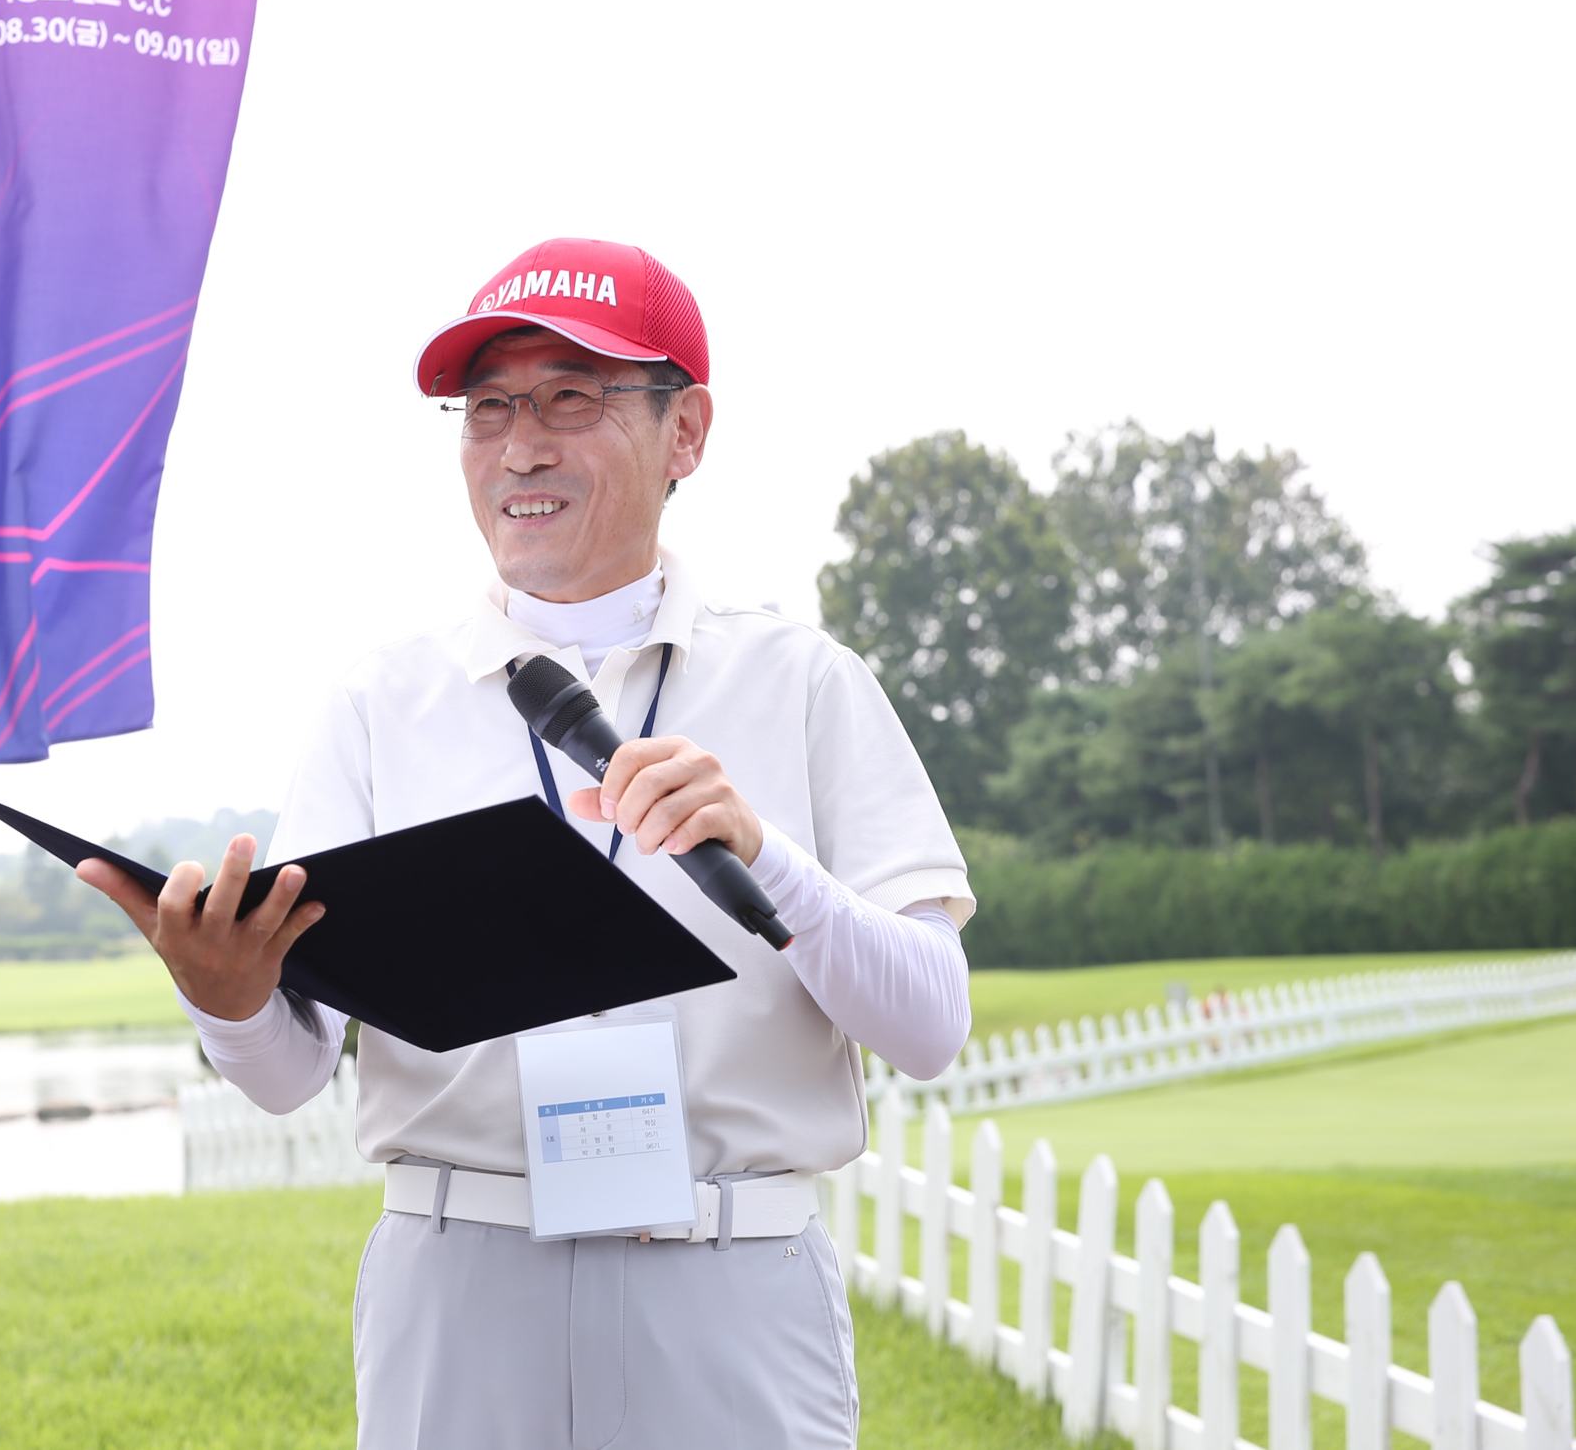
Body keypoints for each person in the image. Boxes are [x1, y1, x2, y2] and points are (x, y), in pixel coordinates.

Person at [77, 238, 975, 1449]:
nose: (519, 446)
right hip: (460, 1278)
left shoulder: (806, 682)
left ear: (686, 430)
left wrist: (765, 855)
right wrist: (226, 999)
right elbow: (289, 1075)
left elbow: (929, 1025)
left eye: (570, 397)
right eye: (488, 407)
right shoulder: (379, 702)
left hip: (732, 1273)